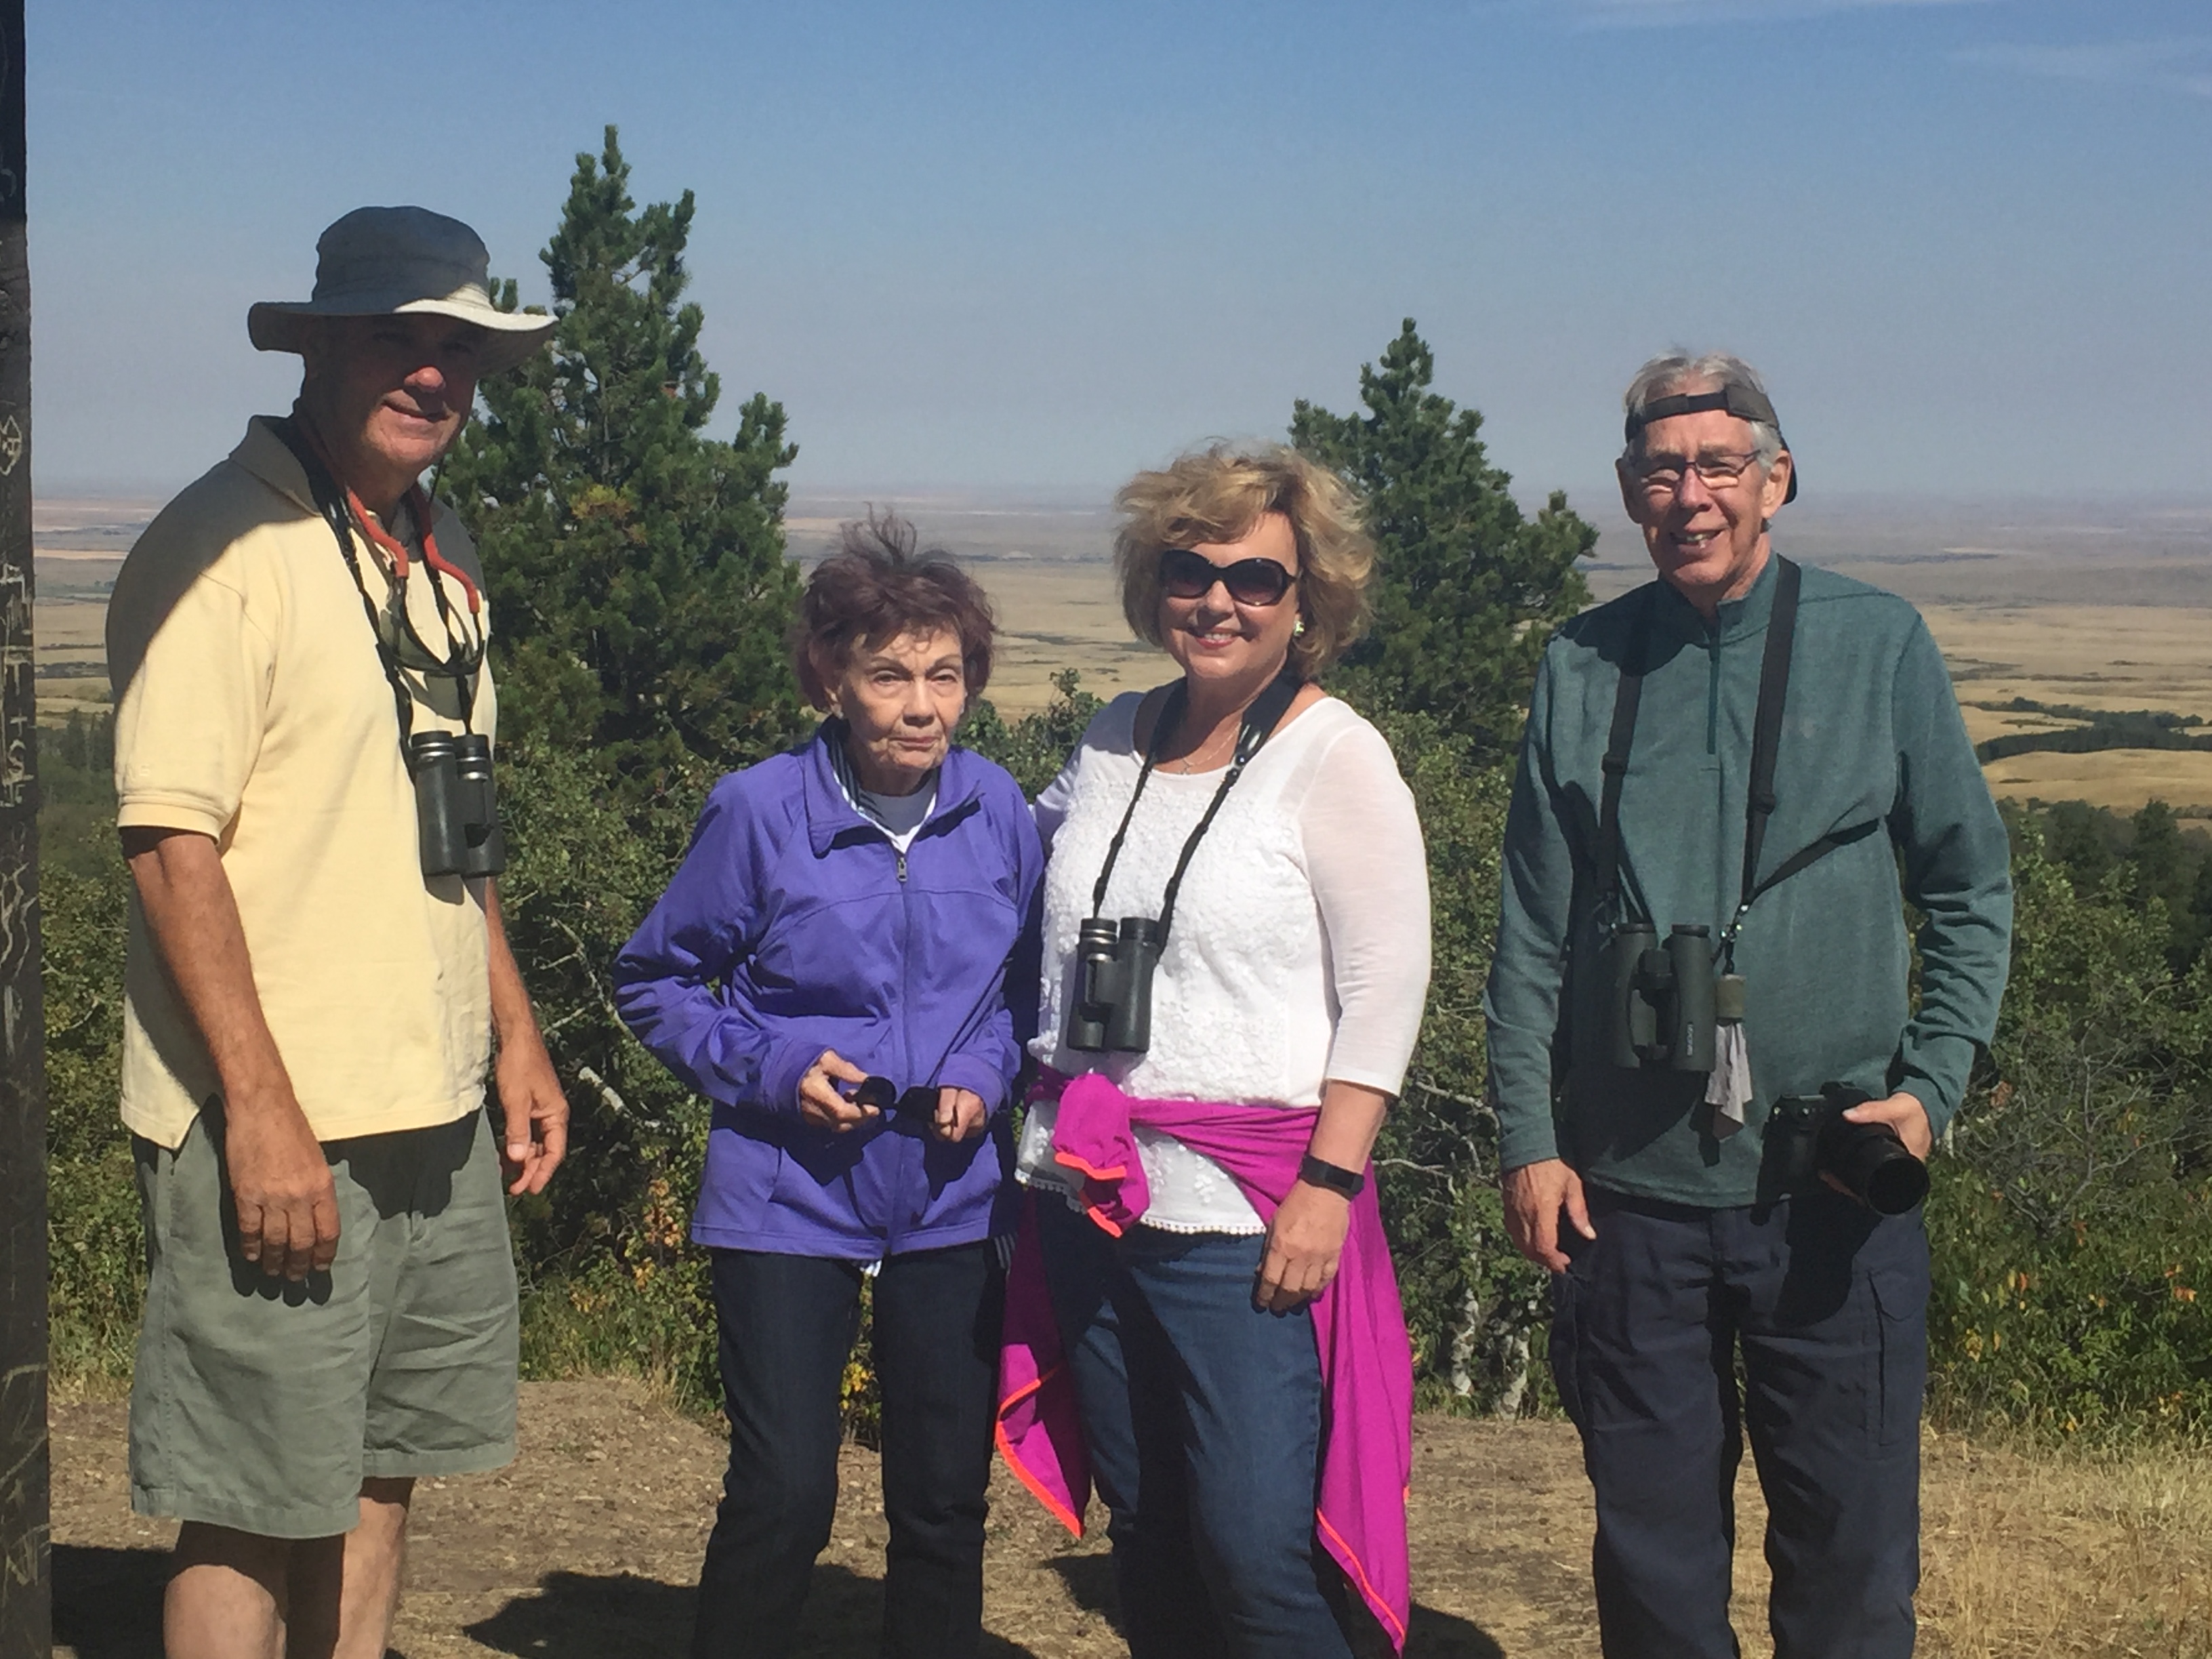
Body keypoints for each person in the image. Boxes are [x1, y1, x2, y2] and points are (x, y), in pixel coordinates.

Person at [1485, 352, 2014, 1656]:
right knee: (1654, 1569)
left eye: (1720, 465)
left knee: (1850, 1562)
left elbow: (1968, 884)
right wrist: (1530, 1139)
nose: (1692, 497)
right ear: (1628, 492)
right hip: (1627, 1194)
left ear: (1778, 479)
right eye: (1662, 472)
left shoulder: (1876, 642)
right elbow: (1532, 925)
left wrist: (1933, 1087)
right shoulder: (1582, 663)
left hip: (1833, 1181)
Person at [105, 206, 569, 1659]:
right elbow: (169, 842)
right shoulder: (224, 543)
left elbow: (454, 834)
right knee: (250, 1497)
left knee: (380, 1473)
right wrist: (258, 1110)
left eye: (457, 350)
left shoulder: (441, 547)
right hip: (278, 1111)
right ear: (314, 349)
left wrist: (513, 1032)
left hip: (431, 1101)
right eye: (395, 339)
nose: (432, 375)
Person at [996, 443, 1431, 1657]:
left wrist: (1329, 1186)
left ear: (1307, 600)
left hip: (1243, 1218)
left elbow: (1386, 986)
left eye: (1256, 578)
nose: (1219, 601)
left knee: (1251, 1550)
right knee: (1149, 1527)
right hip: (1085, 1193)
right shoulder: (1112, 737)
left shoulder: (1336, 755)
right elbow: (1012, 876)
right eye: (1190, 571)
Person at [611, 517, 1043, 1659]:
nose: (922, 707)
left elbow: (1023, 989)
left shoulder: (998, 810)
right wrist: (774, 1069)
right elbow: (656, 980)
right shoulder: (759, 811)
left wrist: (982, 1073)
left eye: (945, 676)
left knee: (943, 1502)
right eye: (889, 675)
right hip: (783, 1196)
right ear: (830, 678)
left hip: (951, 1197)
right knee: (785, 1495)